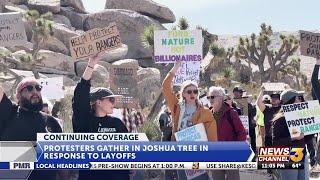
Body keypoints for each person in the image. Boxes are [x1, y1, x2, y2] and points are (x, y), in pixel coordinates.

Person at [72, 53, 130, 180]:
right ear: (98, 102)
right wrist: (91, 64)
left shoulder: (117, 123)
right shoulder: (84, 122)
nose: (114, 104)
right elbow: (80, 96)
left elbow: (128, 148)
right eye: (110, 100)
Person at [162, 61, 217, 180]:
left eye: (195, 91)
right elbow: (166, 87)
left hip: (198, 153)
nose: (193, 94)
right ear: (183, 94)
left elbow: (212, 138)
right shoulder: (177, 107)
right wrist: (175, 68)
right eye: (189, 91)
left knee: (200, 178)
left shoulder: (206, 112)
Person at [0, 78, 62, 180]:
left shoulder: (52, 121)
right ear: (18, 96)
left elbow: (59, 157)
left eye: (38, 88)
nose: (35, 91)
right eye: (29, 88)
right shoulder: (9, 112)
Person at [208, 86, 246, 180]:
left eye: (213, 97)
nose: (210, 99)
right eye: (209, 97)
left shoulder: (231, 113)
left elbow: (241, 133)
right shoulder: (207, 114)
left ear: (221, 98)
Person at [272, 89, 308, 180]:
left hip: (302, 153)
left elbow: (306, 137)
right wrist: (293, 138)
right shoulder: (280, 119)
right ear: (291, 101)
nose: (300, 101)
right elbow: (276, 142)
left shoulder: (300, 116)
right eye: (298, 98)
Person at [233, 86, 257, 153]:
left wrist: (253, 118)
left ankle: (253, 153)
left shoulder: (247, 103)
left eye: (240, 93)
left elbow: (253, 112)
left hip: (249, 125)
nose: (239, 94)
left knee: (252, 141)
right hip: (238, 126)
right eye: (237, 93)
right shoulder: (232, 104)